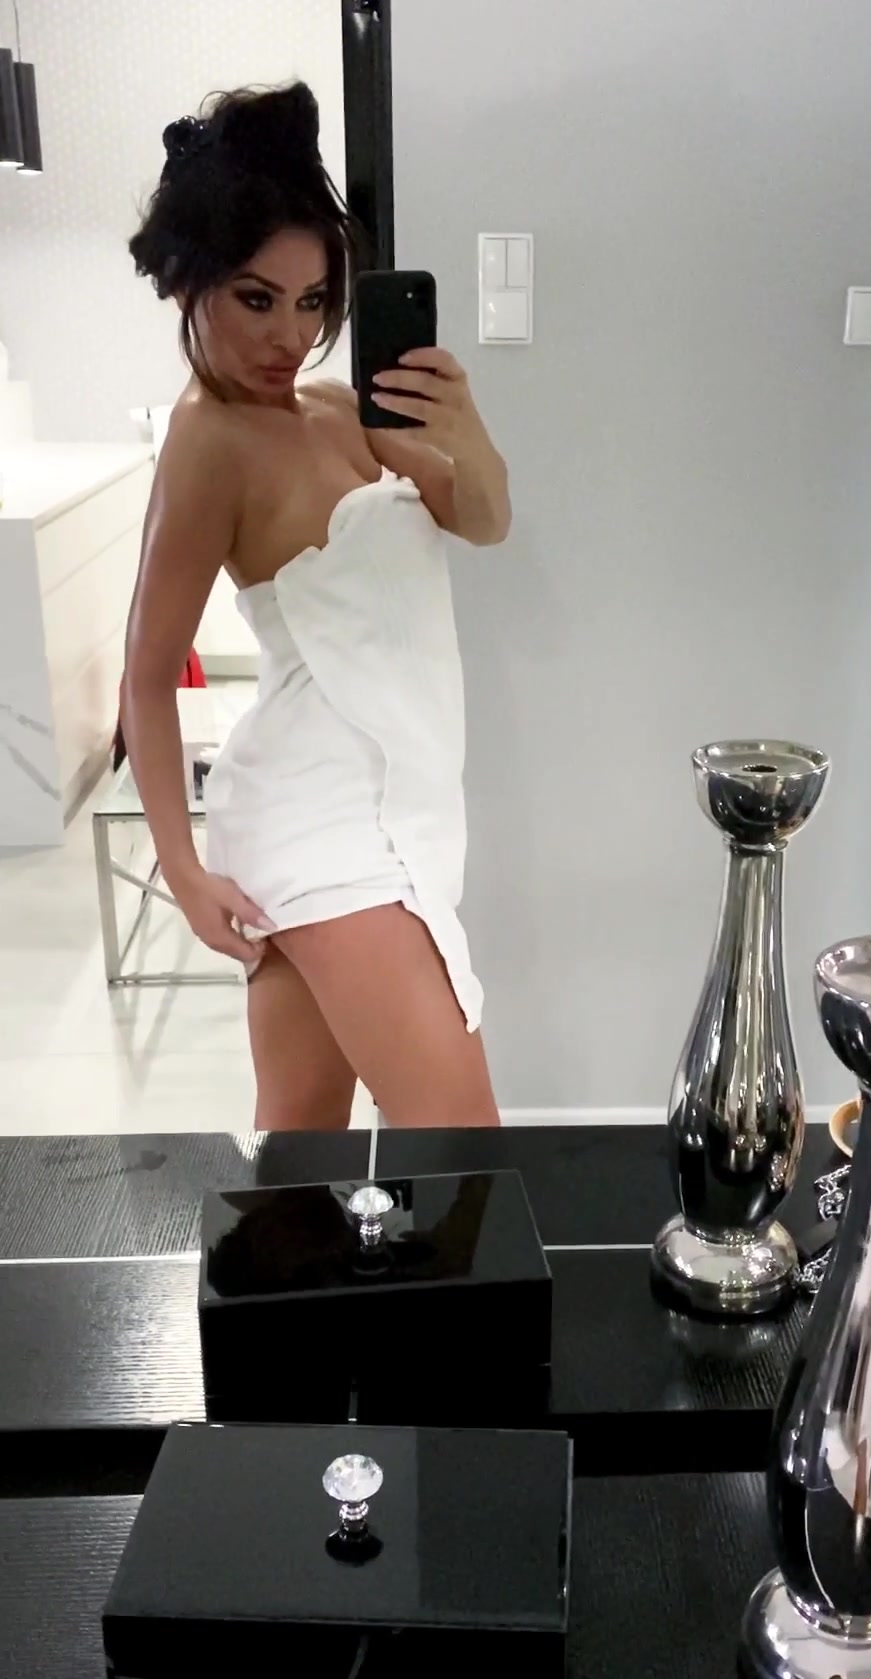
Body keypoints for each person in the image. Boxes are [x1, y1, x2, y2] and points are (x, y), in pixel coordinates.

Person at [124, 83, 509, 1130]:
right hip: (325, 825)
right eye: (257, 299)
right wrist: (182, 871)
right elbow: (146, 678)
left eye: (311, 301)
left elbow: (482, 521)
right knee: (464, 1155)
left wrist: (467, 431)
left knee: (299, 1141)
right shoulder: (208, 444)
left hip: (392, 798)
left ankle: (292, 1244)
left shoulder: (338, 409)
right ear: (190, 282)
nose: (289, 335)